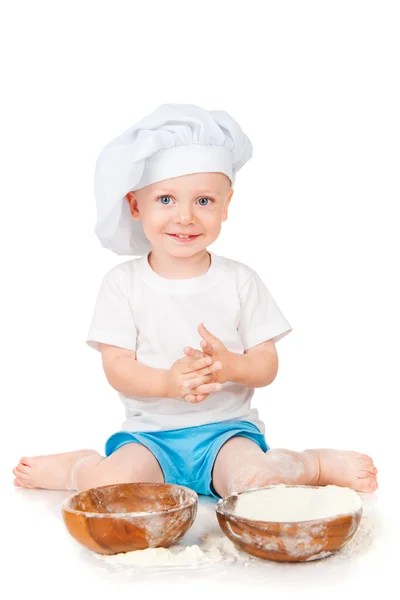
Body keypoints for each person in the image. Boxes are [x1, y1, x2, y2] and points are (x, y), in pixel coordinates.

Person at [13, 103, 378, 499]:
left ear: (226, 205)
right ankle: (79, 467)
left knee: (259, 486)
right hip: (150, 439)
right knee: (108, 487)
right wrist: (167, 382)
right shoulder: (123, 284)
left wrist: (233, 366)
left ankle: (313, 464)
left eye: (203, 201)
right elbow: (117, 367)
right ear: (136, 205)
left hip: (227, 435)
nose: (185, 216)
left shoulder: (240, 280)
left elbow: (267, 365)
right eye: (166, 199)